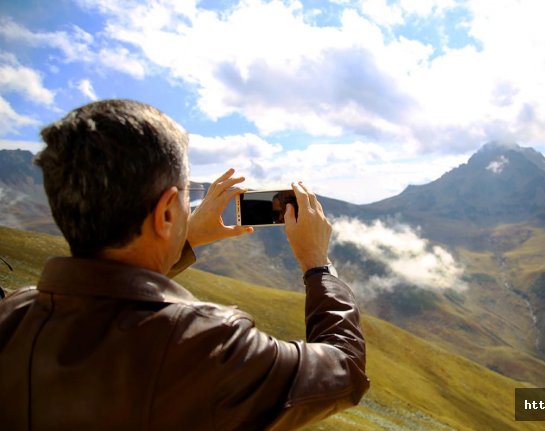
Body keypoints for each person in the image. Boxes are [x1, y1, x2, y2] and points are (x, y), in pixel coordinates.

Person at [0, 99, 369, 430]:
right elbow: (345, 371)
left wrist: (185, 239)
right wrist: (317, 264)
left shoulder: (12, 315)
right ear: (164, 211)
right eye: (185, 194)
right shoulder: (211, 346)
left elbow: (107, 300)